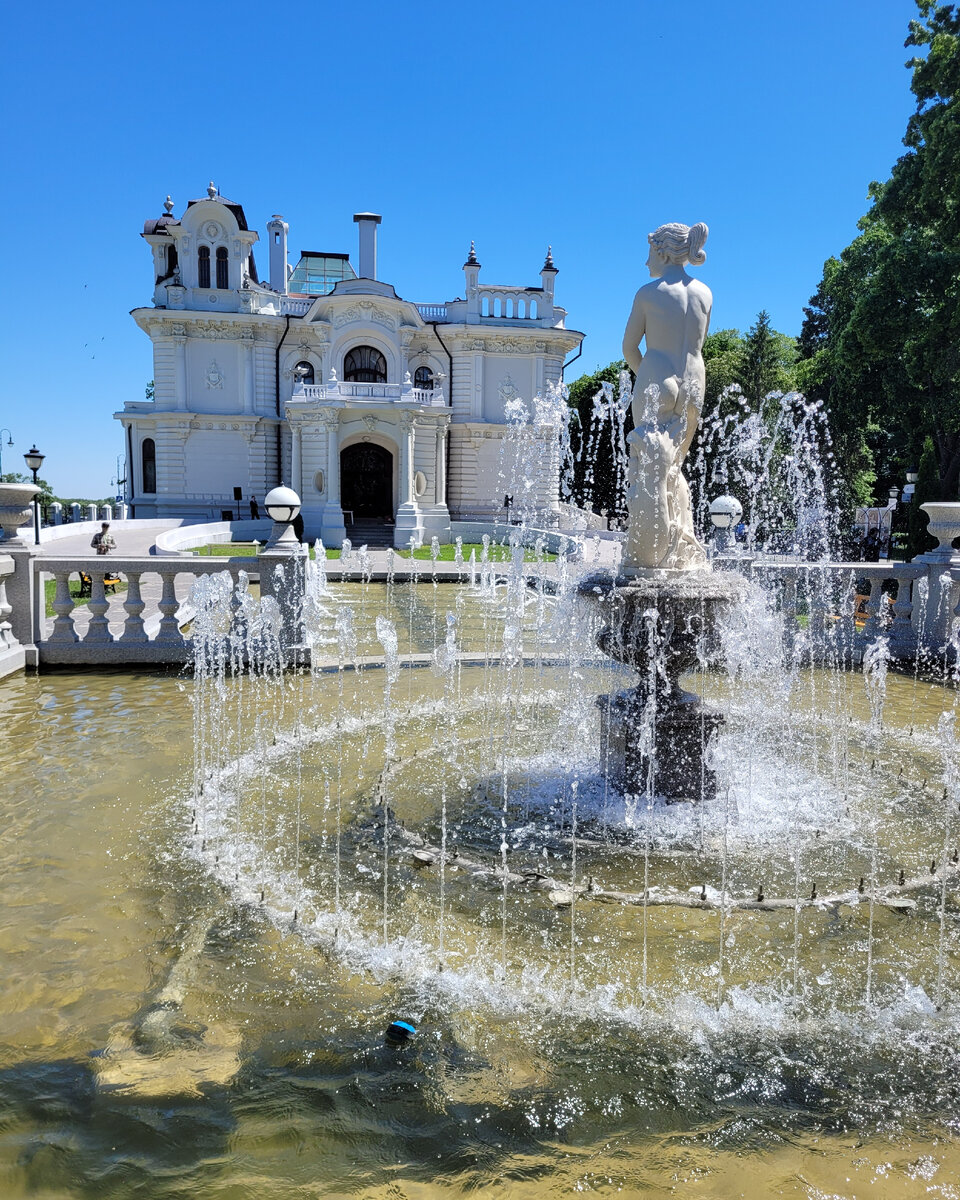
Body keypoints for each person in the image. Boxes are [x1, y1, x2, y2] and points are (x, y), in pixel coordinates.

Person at [621, 221, 712, 571]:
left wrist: (646, 375)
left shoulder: (649, 292)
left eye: (649, 253)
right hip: (694, 384)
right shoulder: (705, 293)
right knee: (675, 469)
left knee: (650, 473)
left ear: (662, 250)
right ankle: (680, 551)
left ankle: (648, 558)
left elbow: (629, 347)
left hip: (657, 378)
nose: (646, 263)